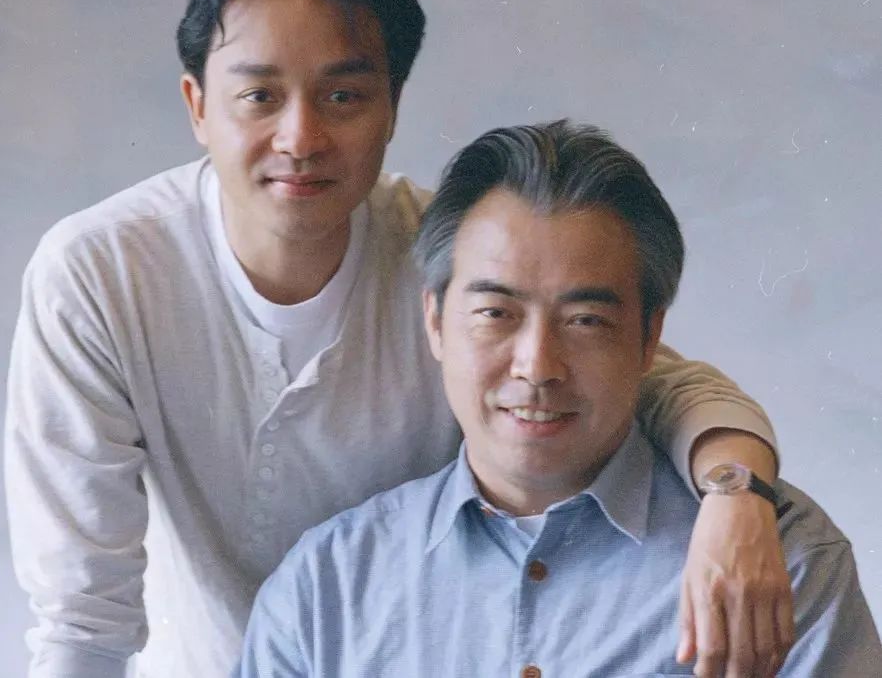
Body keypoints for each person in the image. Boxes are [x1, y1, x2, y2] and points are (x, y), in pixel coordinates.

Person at [5, 0, 790, 677]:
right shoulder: (101, 274)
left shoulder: (452, 254)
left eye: (344, 95)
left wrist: (737, 497)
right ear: (198, 105)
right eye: (260, 95)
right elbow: (82, 618)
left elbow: (646, 375)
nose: (301, 138)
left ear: (392, 106)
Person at [237, 120, 882, 677]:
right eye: (496, 313)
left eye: (585, 321)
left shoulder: (783, 564)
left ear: (649, 336)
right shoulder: (326, 589)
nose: (537, 366)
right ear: (434, 321)